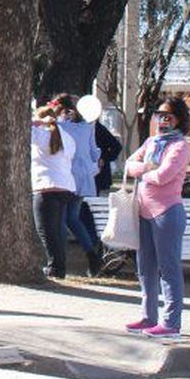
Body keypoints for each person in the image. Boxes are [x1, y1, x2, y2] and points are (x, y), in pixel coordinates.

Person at [123, 95, 190, 337]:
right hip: (143, 212)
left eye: (168, 116)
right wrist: (145, 169)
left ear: (179, 120)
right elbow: (129, 164)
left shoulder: (180, 146)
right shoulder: (152, 142)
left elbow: (164, 177)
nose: (162, 120)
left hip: (167, 213)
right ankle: (147, 317)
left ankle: (171, 323)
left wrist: (144, 172)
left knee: (168, 269)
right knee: (145, 268)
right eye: (159, 115)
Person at [53, 95, 105, 276]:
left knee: (61, 219)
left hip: (65, 178)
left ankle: (59, 262)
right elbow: (94, 153)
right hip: (83, 178)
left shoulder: (59, 127)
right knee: (72, 218)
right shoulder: (87, 128)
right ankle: (91, 253)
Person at [30, 103, 79, 279]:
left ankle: (54, 266)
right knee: (58, 230)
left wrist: (37, 121)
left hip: (46, 187)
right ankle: (60, 266)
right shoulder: (66, 137)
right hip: (65, 187)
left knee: (45, 230)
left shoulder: (40, 134)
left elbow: (23, 126)